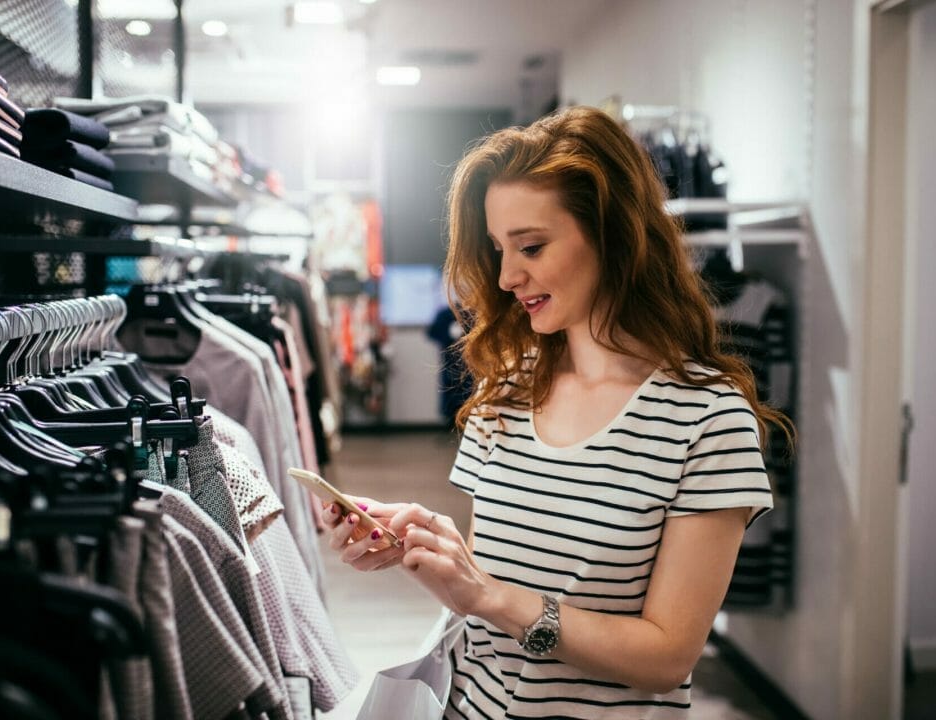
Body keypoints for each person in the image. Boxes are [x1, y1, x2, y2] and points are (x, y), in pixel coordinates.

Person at [321, 106, 792, 719]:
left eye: (532, 246)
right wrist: (428, 553)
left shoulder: (706, 420)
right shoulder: (508, 389)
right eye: (497, 249)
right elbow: (488, 592)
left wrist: (493, 598)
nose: (508, 275)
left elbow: (668, 656)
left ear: (613, 236)